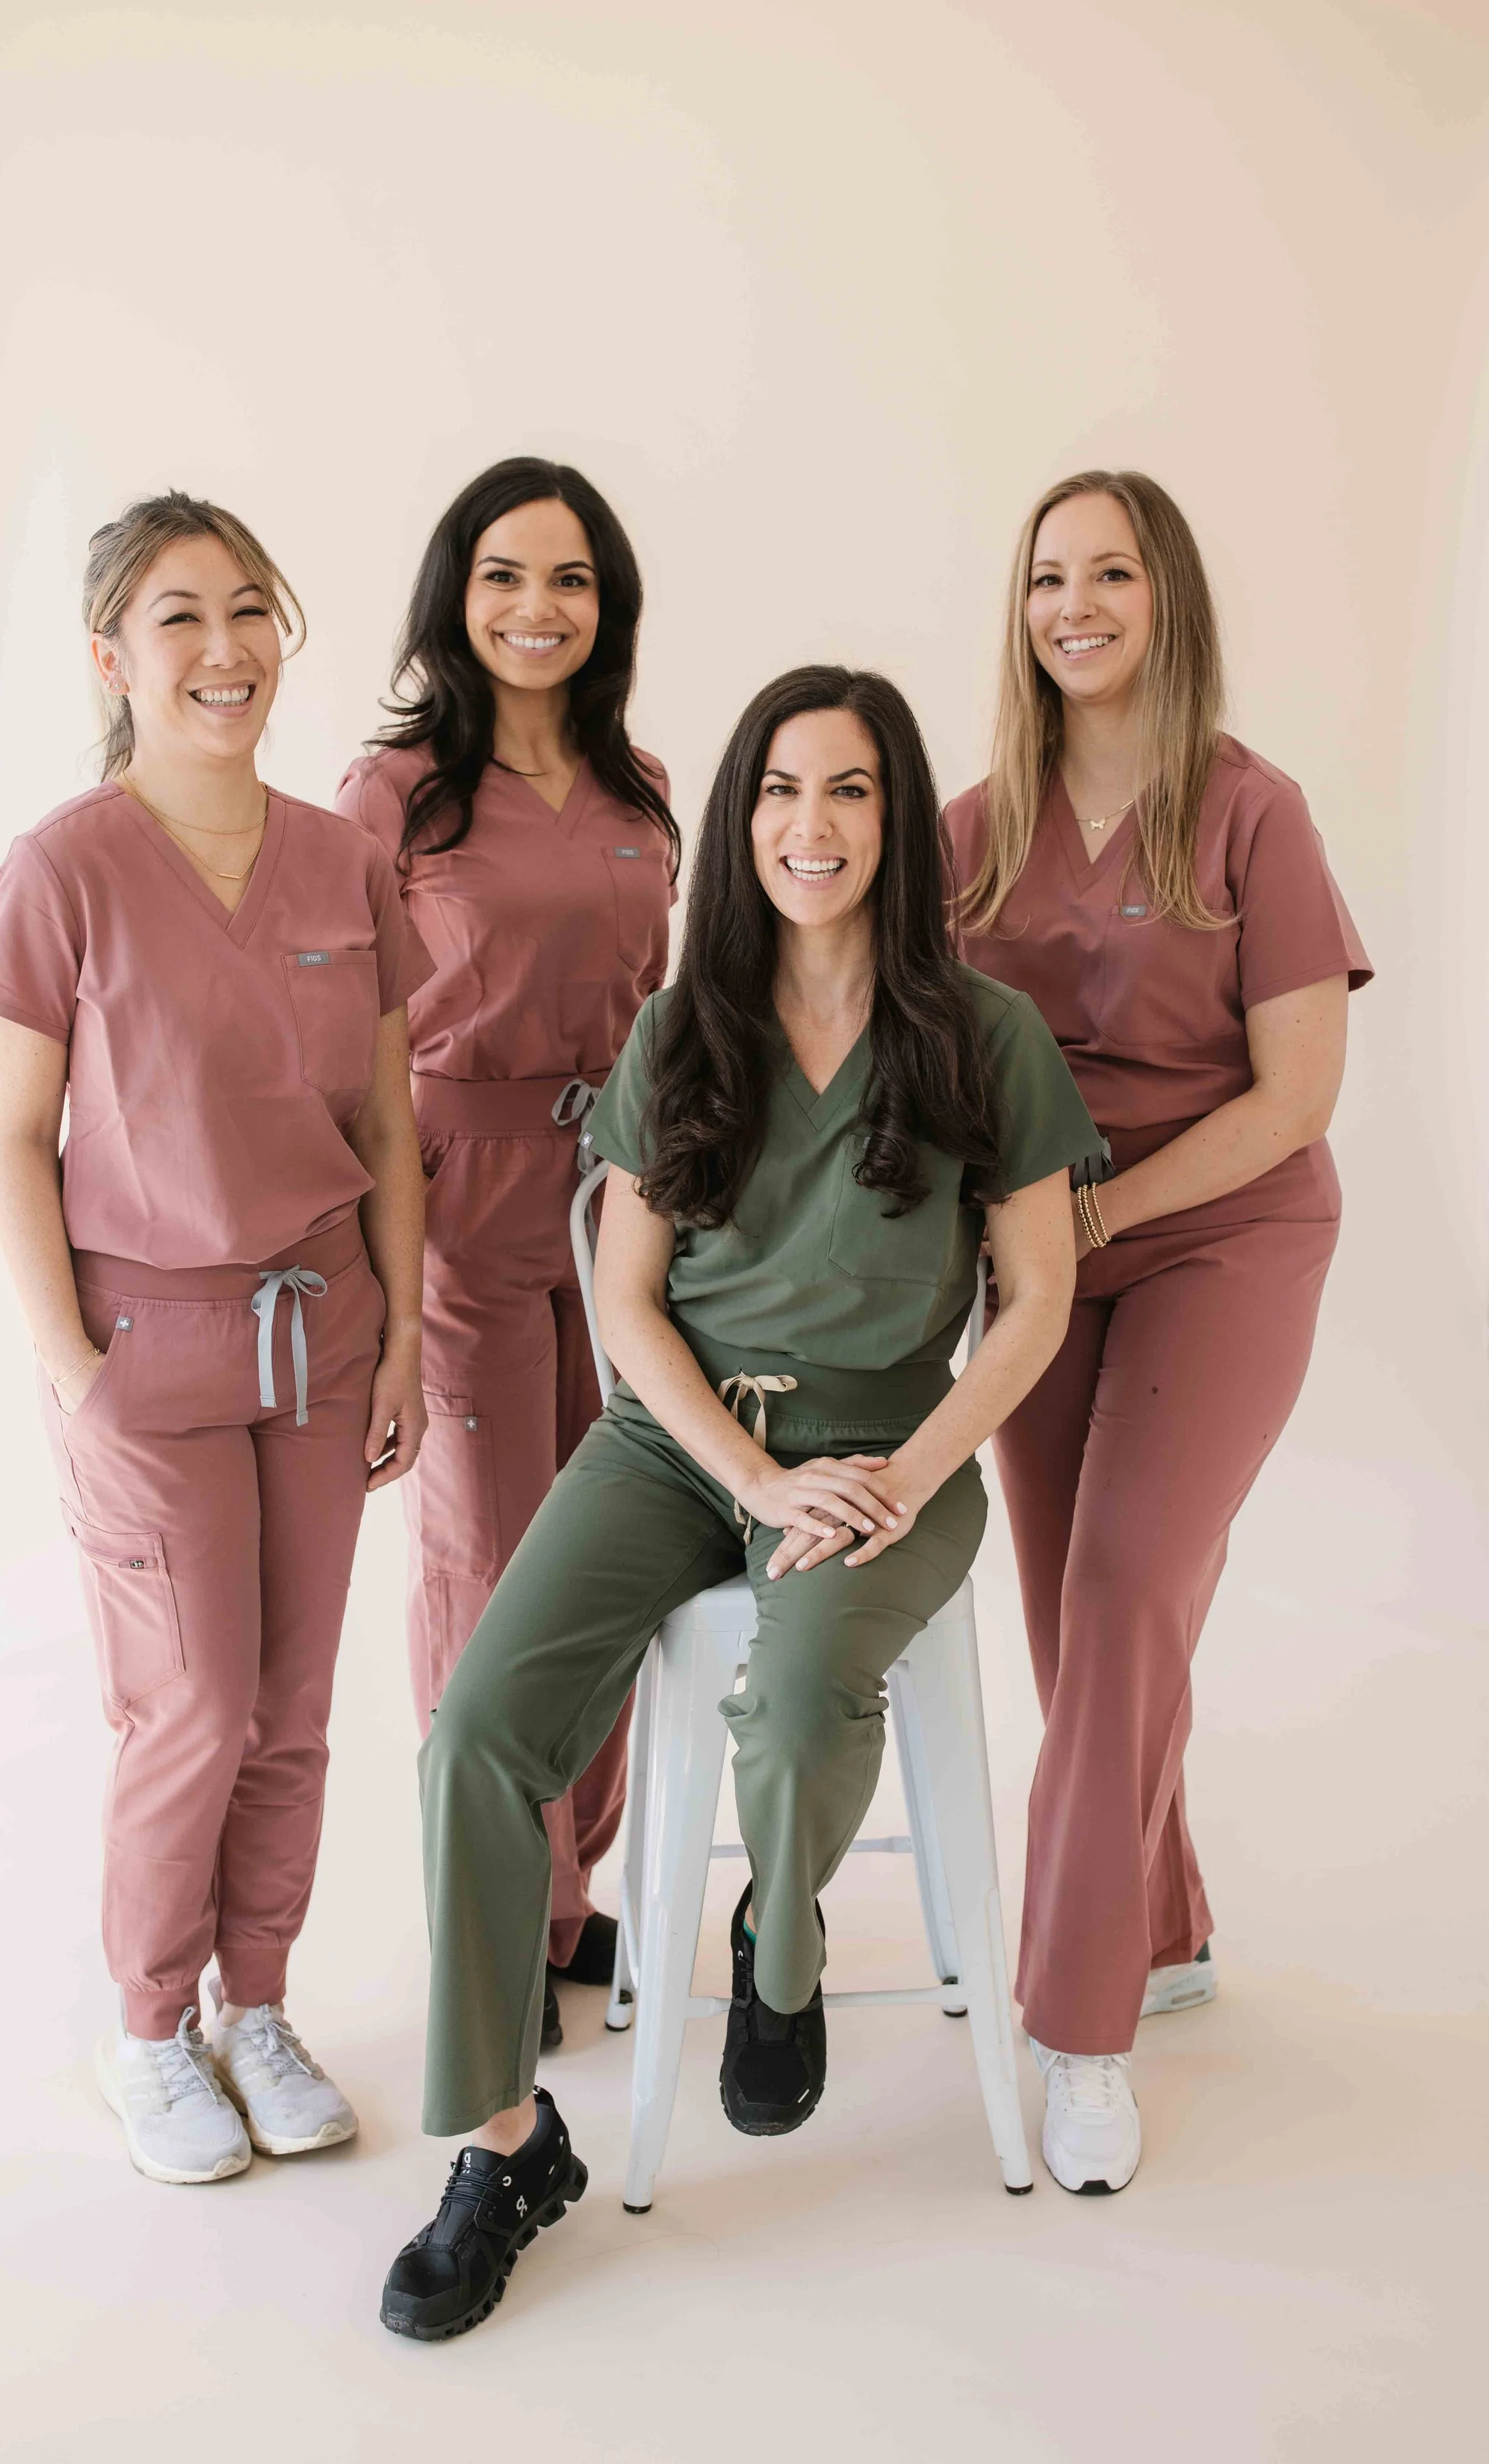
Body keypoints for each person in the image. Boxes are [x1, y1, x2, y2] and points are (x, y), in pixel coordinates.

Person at [377, 665, 1100, 2341]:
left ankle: (776, 1945)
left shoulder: (977, 1035)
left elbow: (1039, 1299)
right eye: (779, 790)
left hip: (886, 1458)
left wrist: (901, 1477)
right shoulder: (685, 1022)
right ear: (738, 820)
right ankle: (503, 2143)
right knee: (477, 1726)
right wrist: (748, 1472)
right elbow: (626, 1297)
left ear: (898, 824)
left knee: (788, 1704)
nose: (810, 825)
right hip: (680, 1446)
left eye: (848, 791)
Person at [0, 492, 432, 2185]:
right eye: (180, 617)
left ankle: (259, 2006)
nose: (225, 649)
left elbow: (385, 1108)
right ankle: (150, 2030)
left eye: (249, 611)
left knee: (292, 1705)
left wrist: (399, 1342)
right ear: (112, 654)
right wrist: (76, 1375)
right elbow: (11, 1139)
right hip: (145, 1344)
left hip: (322, 1329)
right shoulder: (63, 870)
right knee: (192, 1706)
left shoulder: (342, 860)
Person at [946, 469, 1371, 2196]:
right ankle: (1167, 1913)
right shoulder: (974, 825)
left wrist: (1096, 1215)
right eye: (1047, 575)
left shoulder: (1250, 812)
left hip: (1223, 1241)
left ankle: (1077, 2027)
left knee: (1124, 1592)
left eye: (1109, 572)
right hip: (1048, 1265)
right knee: (1076, 1632)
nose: (1074, 604)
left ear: (1164, 596)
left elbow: (1293, 1099)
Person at [335, 458, 676, 2050]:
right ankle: (492, 1924)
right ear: (452, 598)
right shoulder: (393, 792)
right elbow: (344, 1036)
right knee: (488, 1570)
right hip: (455, 1194)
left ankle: (563, 1896)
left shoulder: (645, 784)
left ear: (605, 606)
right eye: (501, 577)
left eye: (570, 580)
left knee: (610, 1562)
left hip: (618, 1199)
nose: (536, 609)